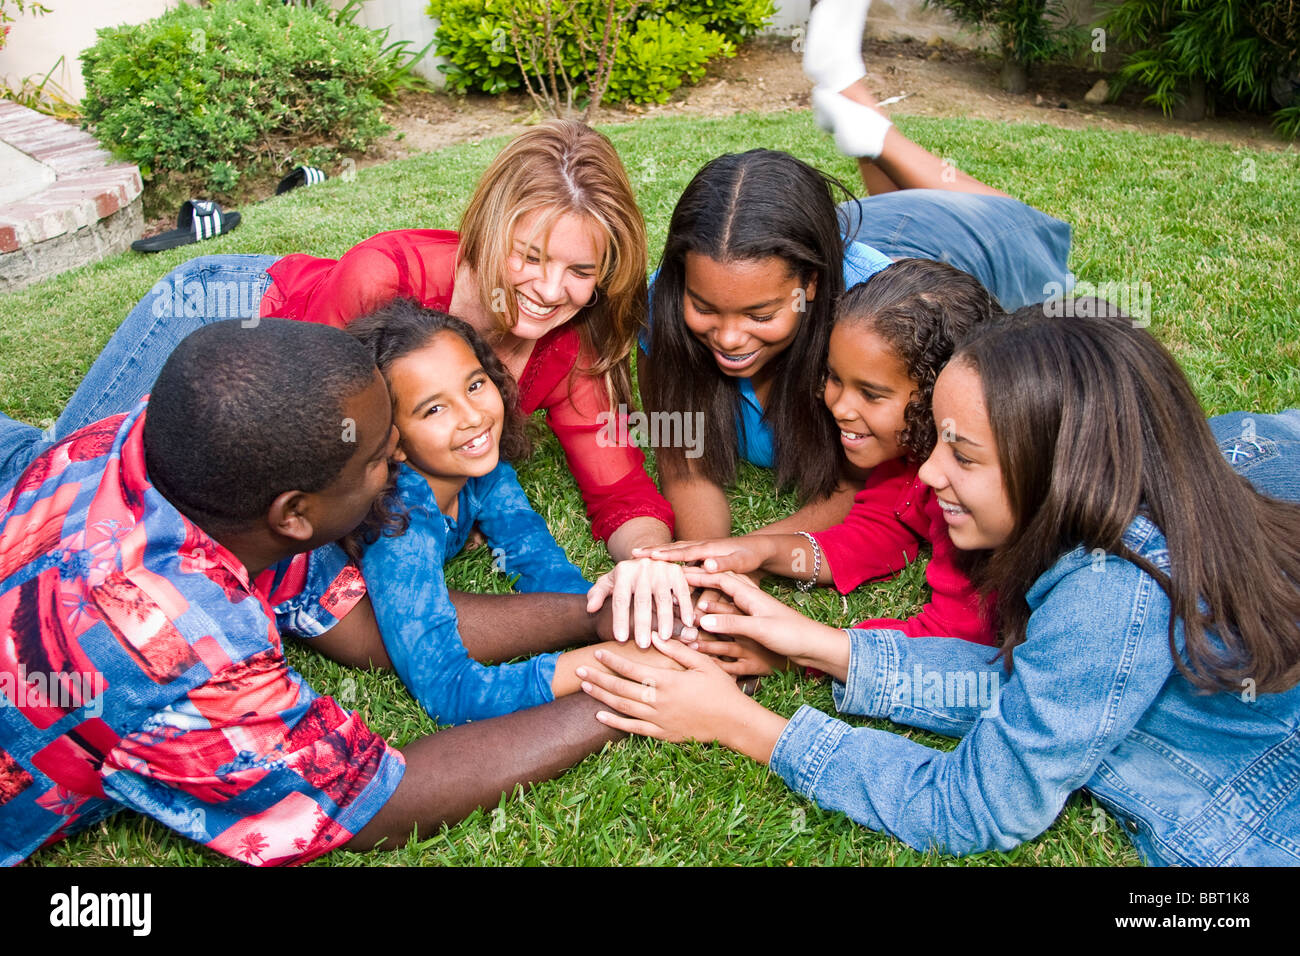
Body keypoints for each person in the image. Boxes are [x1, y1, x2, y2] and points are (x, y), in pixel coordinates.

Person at [578, 304, 1300, 865]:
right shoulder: (1160, 473)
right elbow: (1026, 684)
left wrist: (745, 727)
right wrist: (824, 646)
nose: (926, 476)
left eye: (964, 455)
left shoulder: (1116, 587)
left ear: (1063, 467)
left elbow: (976, 806)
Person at [0, 120, 685, 645]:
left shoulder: (569, 339)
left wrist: (649, 567)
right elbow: (316, 443)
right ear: (489, 231)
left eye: (579, 271)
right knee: (55, 490)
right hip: (227, 315)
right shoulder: (386, 276)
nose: (547, 290)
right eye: (529, 256)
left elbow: (620, 490)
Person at [0, 319, 629, 866]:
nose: (401, 466)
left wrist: (595, 615)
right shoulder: (176, 647)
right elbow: (375, 802)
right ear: (295, 514)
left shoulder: (165, 436)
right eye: (382, 462)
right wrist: (641, 690)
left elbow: (369, 624)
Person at [638, 1, 1072, 543]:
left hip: (953, 241)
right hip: (851, 232)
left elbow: (866, 488)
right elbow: (686, 462)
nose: (727, 337)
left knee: (1025, 220)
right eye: (705, 307)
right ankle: (859, 117)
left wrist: (746, 555)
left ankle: (876, 131)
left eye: (760, 314)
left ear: (811, 285)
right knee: (887, 211)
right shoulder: (672, 303)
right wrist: (703, 554)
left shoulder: (883, 337)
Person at [643, 259, 1002, 680]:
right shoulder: (911, 455)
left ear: (939, 392)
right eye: (834, 378)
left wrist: (795, 654)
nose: (839, 406)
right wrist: (761, 551)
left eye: (871, 394)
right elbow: (878, 530)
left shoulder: (976, 500)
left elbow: (945, 648)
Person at [345, 300, 684, 725]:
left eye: (474, 385)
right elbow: (448, 691)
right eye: (434, 409)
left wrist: (636, 624)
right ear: (391, 440)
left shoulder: (484, 472)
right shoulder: (399, 523)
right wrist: (606, 664)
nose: (473, 417)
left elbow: (540, 564)